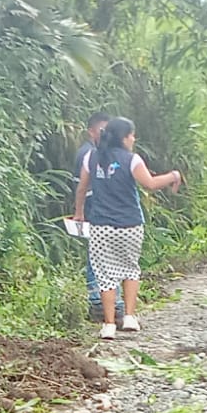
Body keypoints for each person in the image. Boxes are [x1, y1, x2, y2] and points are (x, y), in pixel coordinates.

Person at [74, 116, 181, 340]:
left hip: (101, 226)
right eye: (132, 135)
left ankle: (109, 325)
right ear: (123, 137)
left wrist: (79, 213)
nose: (133, 139)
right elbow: (150, 184)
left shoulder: (91, 157)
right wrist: (173, 176)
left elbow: (82, 188)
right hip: (130, 224)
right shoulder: (132, 160)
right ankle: (130, 317)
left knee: (105, 275)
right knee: (130, 269)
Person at [73, 112, 116, 325]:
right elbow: (81, 187)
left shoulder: (101, 152)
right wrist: (80, 212)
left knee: (102, 253)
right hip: (93, 207)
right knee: (96, 254)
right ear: (91, 131)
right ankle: (96, 301)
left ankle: (103, 302)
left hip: (99, 208)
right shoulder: (88, 153)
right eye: (102, 130)